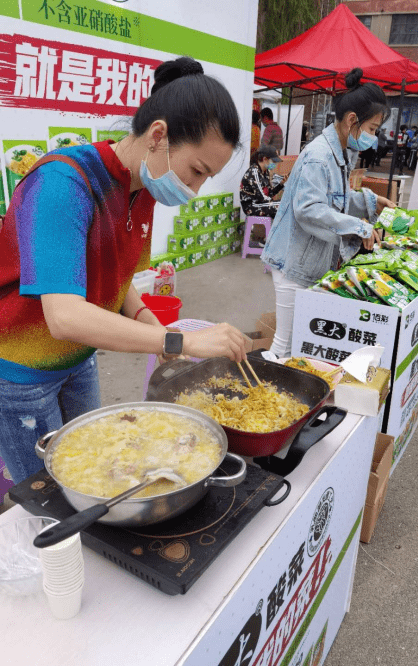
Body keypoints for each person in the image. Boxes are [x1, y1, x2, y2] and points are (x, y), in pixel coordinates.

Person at [0, 56, 248, 484]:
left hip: (79, 358)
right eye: (197, 172)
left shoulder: (141, 189)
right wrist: (178, 337)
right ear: (158, 136)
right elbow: (65, 316)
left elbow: (118, 277)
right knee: (48, 496)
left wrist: (147, 321)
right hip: (22, 372)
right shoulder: (64, 183)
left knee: (98, 468)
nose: (194, 189)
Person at [261, 67, 395, 358]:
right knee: (285, 348)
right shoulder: (320, 156)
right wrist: (359, 228)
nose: (373, 136)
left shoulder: (339, 153)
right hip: (294, 264)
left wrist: (372, 202)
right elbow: (310, 209)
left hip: (309, 262)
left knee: (297, 345)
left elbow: (338, 199)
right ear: (351, 120)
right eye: (372, 129)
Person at [240, 144, 287, 246]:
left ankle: (269, 238)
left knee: (285, 204)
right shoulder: (254, 172)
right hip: (251, 206)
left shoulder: (265, 172)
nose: (275, 164)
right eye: (273, 161)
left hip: (260, 204)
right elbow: (262, 198)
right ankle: (269, 239)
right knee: (282, 205)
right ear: (265, 159)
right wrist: (276, 203)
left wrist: (281, 184)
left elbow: (269, 194)